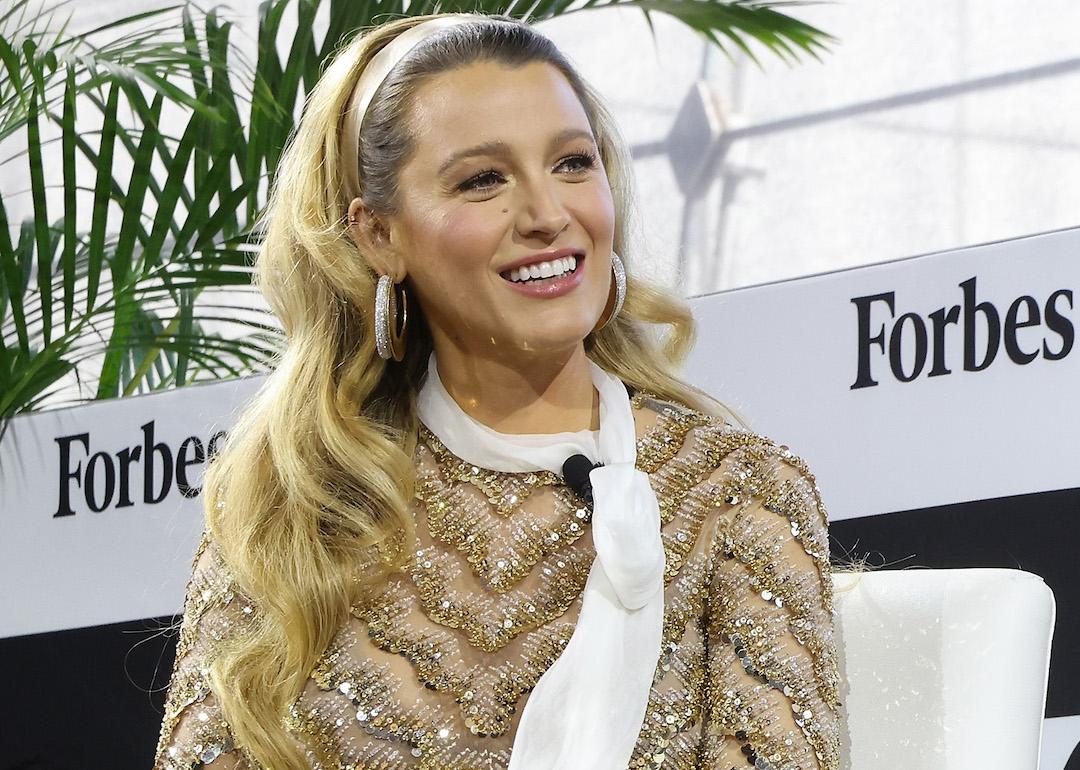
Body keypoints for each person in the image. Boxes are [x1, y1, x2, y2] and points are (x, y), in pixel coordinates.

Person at [153, 11, 843, 770]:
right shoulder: (294, 516)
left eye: (574, 164)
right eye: (484, 180)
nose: (549, 215)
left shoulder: (740, 495)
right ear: (380, 234)